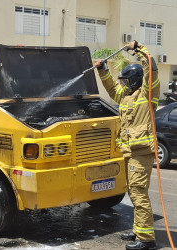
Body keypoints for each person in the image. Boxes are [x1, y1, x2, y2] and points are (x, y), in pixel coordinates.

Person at [95, 40, 159, 250]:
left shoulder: (147, 94)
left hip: (142, 153)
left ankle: (146, 240)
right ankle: (139, 229)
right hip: (130, 152)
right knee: (133, 192)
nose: (122, 84)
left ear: (135, 81)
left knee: (139, 192)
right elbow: (113, 89)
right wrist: (103, 70)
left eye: (125, 81)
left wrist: (139, 48)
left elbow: (150, 68)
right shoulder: (127, 96)